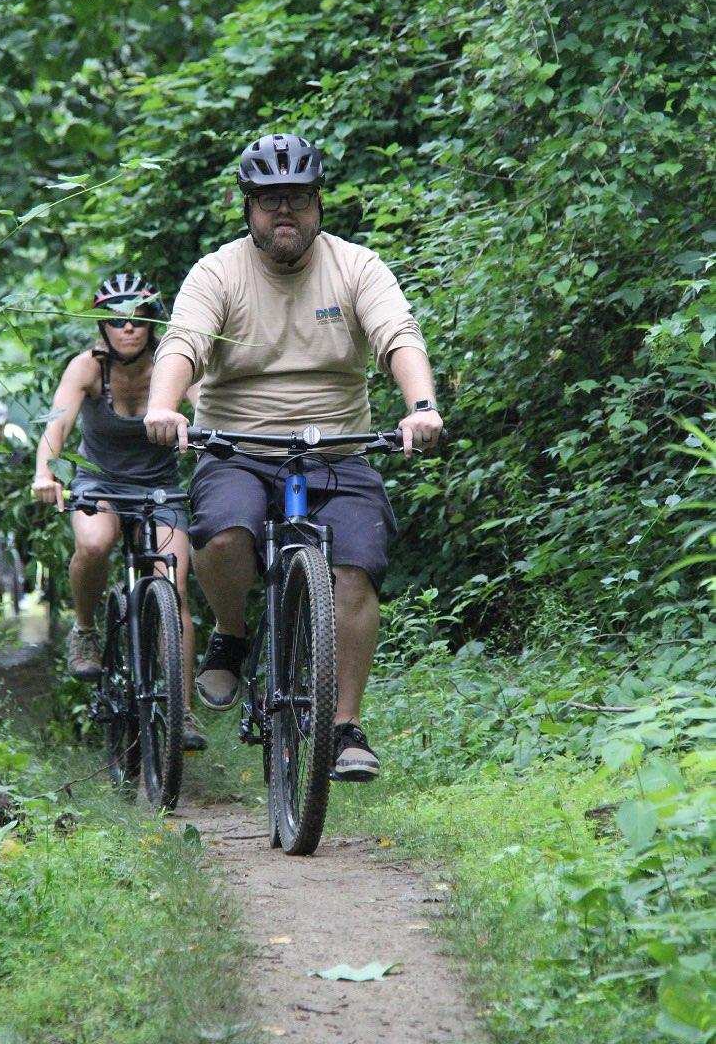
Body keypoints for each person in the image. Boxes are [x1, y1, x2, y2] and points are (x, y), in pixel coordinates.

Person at [144, 132, 443, 781]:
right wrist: (164, 406)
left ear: (318, 205)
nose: (286, 213)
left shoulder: (356, 267)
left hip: (337, 449)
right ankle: (232, 631)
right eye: (271, 200)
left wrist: (420, 408)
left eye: (299, 200)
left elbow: (397, 335)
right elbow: (182, 343)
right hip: (237, 448)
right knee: (222, 538)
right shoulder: (218, 272)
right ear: (248, 208)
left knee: (355, 572)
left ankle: (343, 727)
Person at [31, 272, 206, 751]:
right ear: (101, 326)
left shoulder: (173, 363)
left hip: (159, 489)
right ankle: (85, 631)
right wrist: (45, 473)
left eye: (137, 319)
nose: (127, 329)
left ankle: (181, 708)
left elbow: (208, 408)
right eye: (115, 320)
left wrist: (208, 437)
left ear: (152, 321)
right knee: (94, 543)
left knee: (175, 583)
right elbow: (57, 425)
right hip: (100, 482)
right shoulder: (87, 368)